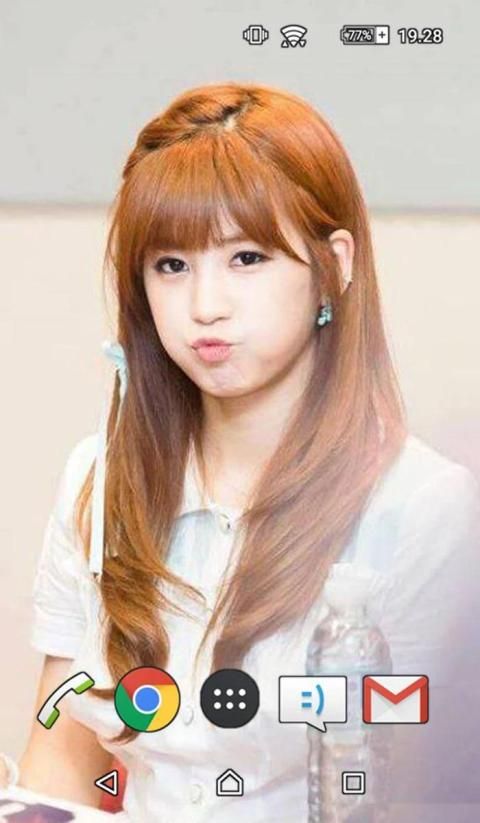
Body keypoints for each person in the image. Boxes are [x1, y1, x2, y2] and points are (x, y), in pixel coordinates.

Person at [2, 82, 479, 822]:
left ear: (334, 264)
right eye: (171, 265)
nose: (205, 307)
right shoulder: (100, 477)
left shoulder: (425, 510)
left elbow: (418, 798)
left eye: (247, 258)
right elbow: (62, 767)